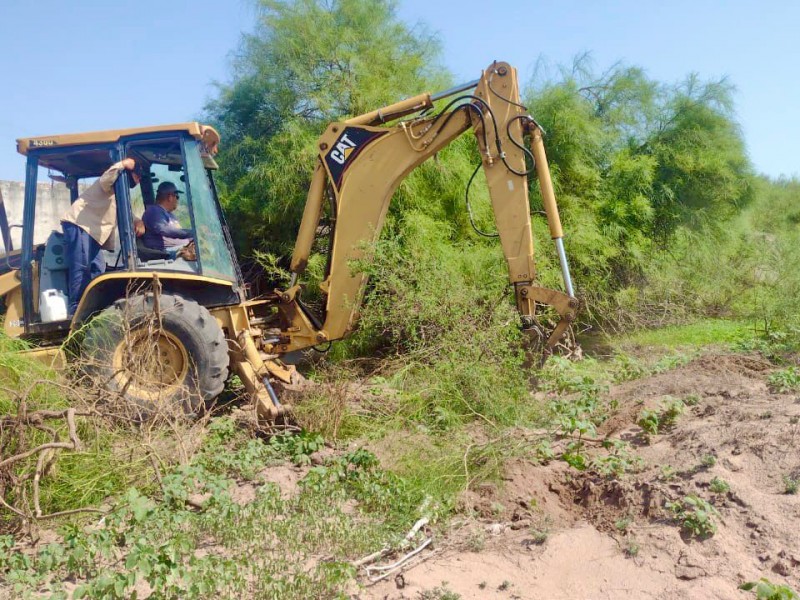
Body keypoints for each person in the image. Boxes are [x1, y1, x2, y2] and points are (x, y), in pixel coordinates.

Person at [61, 158, 141, 316]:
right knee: (82, 269)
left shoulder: (116, 194)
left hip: (91, 233)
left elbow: (124, 211)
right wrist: (123, 164)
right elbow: (106, 177)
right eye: (138, 176)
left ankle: (93, 309)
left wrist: (138, 221)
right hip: (80, 225)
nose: (139, 181)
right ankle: (75, 313)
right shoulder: (108, 183)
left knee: (98, 268)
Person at [141, 181, 195, 259]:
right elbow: (164, 230)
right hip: (165, 254)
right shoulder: (154, 211)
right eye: (177, 197)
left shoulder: (170, 215)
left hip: (180, 248)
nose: (177, 200)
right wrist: (190, 233)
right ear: (170, 197)